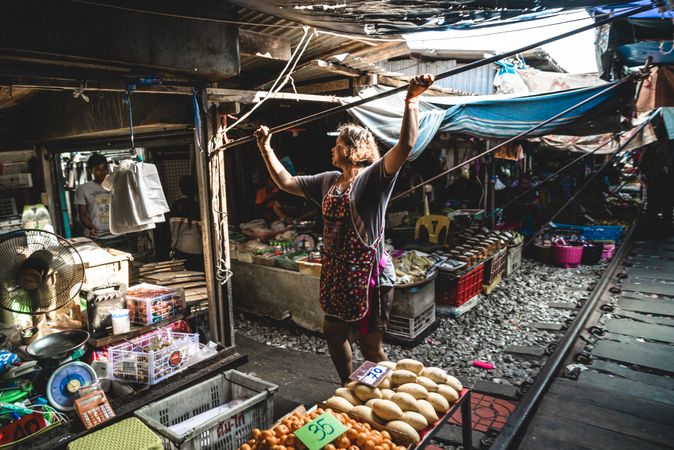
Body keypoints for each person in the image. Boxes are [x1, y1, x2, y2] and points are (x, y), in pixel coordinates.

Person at [255, 74, 434, 384]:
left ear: (353, 150)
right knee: (333, 334)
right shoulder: (327, 181)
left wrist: (412, 100)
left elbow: (405, 144)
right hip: (337, 276)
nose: (331, 150)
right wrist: (265, 148)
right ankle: (349, 387)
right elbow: (285, 182)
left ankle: (388, 393)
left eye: (336, 145)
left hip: (369, 278)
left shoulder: (374, 177)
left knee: (370, 346)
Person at [75, 153, 113, 242]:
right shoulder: (83, 189)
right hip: (97, 238)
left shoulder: (116, 185)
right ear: (90, 170)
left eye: (104, 169)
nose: (102, 172)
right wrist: (93, 228)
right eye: (98, 169)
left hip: (119, 235)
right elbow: (82, 216)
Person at [170, 175, 204, 271]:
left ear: (181, 188)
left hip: (182, 249)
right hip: (198, 249)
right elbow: (203, 230)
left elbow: (174, 231)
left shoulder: (176, 206)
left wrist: (172, 247)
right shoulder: (199, 206)